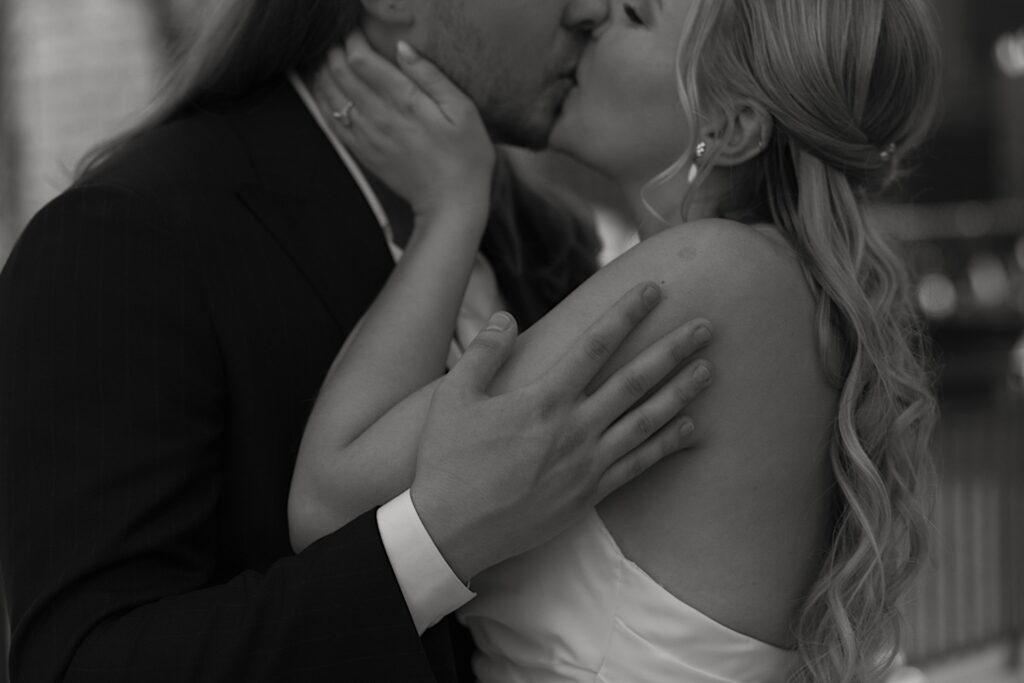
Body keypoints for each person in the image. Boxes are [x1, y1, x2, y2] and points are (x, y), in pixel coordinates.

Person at [0, 0, 719, 680]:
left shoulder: (543, 238)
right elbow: (87, 662)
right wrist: (434, 542)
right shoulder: (126, 238)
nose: (593, 9)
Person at [289, 0, 942, 680]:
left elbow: (330, 502)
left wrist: (449, 208)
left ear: (733, 126)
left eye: (633, 14)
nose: (591, 14)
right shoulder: (770, 284)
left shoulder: (712, 273)